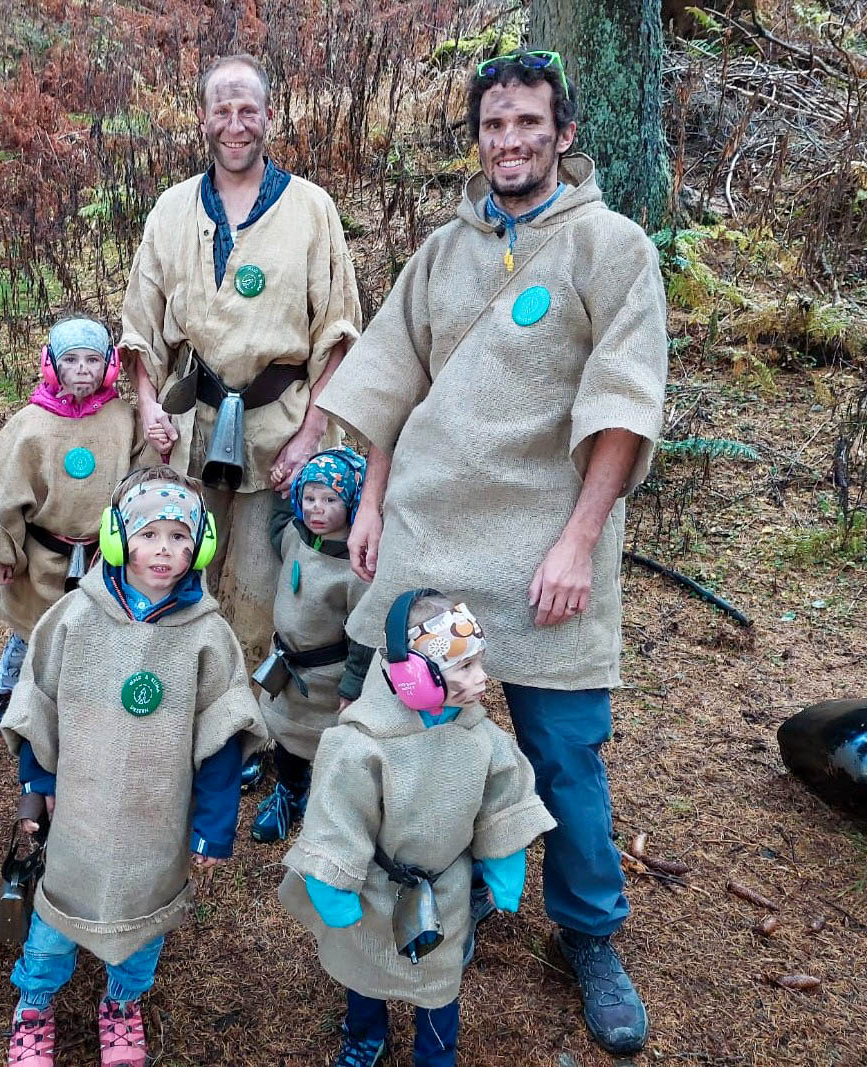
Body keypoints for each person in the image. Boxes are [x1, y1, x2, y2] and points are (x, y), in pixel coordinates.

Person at [315, 50, 669, 1055]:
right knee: (408, 737)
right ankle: (428, 894)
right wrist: (372, 502)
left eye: (527, 124)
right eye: (493, 126)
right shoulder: (444, 250)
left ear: (564, 134)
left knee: (564, 755)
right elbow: (391, 381)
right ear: (477, 140)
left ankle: (588, 932)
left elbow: (624, 404)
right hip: (431, 534)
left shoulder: (610, 245)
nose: (508, 141)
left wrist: (579, 542)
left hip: (545, 545)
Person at [0, 465, 267, 1067]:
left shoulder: (208, 636)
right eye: (148, 535)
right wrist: (40, 783)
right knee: (57, 915)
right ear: (118, 537)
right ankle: (34, 1003)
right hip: (80, 810)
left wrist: (212, 825)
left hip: (157, 815)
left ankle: (122, 1004)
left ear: (202, 544)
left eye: (179, 536)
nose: (164, 550)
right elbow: (39, 704)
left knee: (145, 917)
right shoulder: (74, 618)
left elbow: (223, 733)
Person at [119, 53, 363, 665]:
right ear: (203, 118)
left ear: (269, 116)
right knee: (173, 572)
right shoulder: (172, 210)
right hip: (190, 429)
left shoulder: (311, 208)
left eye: (247, 110)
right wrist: (149, 406)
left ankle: (253, 708)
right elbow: (142, 325)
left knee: (265, 588)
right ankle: (178, 694)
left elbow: (337, 333)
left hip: (280, 429)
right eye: (222, 110)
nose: (235, 125)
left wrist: (309, 436)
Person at [279, 592, 555, 1067]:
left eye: (479, 662)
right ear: (415, 676)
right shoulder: (362, 746)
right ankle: (365, 1034)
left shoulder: (483, 740)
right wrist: (332, 883)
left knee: (439, 980)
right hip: (374, 885)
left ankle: (435, 1055)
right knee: (365, 965)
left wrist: (505, 864)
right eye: (465, 667)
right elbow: (337, 817)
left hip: (444, 887)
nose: (482, 677)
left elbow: (503, 803)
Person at [0, 315, 140, 728]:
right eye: (71, 360)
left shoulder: (124, 420)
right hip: (43, 556)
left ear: (109, 365)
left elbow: (144, 477)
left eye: (92, 360)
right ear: (51, 364)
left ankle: (80, 699)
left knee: (97, 626)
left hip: (103, 555)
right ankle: (9, 686)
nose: (82, 370)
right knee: (32, 630)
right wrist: (0, 552)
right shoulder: (31, 425)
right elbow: (1, 492)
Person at [249, 447, 371, 844]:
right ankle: (289, 792)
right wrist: (281, 488)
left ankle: (329, 806)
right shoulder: (296, 538)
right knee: (288, 737)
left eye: (331, 499)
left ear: (351, 502)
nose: (317, 509)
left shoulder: (357, 569)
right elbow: (278, 525)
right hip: (288, 670)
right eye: (310, 497)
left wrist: (353, 685)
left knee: (327, 743)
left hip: (327, 681)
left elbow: (364, 634)